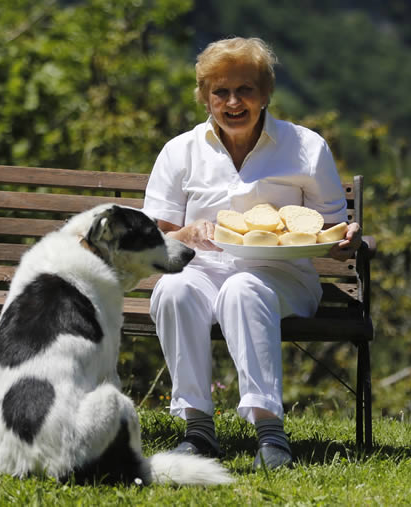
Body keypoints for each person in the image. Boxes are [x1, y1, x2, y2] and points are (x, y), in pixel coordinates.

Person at [142, 37, 363, 470]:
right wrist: (186, 231)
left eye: (245, 89)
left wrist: (347, 241)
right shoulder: (180, 150)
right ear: (206, 97)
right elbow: (158, 233)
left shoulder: (305, 147)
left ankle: (270, 435)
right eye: (220, 91)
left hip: (282, 277)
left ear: (264, 94)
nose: (232, 101)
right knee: (173, 290)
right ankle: (198, 431)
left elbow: (332, 231)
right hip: (202, 269)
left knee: (243, 288)